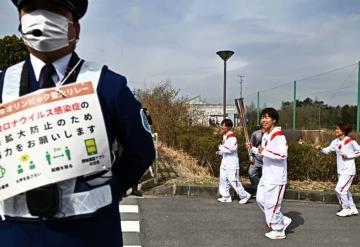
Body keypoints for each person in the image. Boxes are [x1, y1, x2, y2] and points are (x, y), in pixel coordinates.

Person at [0, 1, 155, 246]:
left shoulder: (108, 86)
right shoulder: (2, 84)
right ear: (20, 20)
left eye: (55, 10)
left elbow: (141, 151)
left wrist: (110, 189)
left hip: (91, 234)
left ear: (76, 28)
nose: (42, 18)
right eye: (32, 8)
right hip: (14, 236)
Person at [250, 108, 291, 240]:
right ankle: (282, 220)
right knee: (260, 199)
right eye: (262, 117)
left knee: (272, 204)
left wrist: (263, 151)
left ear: (274, 119)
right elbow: (264, 153)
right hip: (266, 174)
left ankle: (279, 230)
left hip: (277, 177)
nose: (263, 120)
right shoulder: (266, 135)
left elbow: (282, 154)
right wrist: (254, 149)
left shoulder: (279, 135)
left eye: (267, 117)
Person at [317, 123, 359, 217]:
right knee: (345, 190)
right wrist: (320, 148)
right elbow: (328, 150)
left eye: (338, 129)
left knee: (339, 189)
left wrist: (348, 155)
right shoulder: (335, 141)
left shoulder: (350, 141)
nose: (336, 130)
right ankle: (352, 208)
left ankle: (346, 208)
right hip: (340, 170)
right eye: (336, 129)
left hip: (348, 170)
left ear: (343, 131)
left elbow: (359, 151)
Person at [216, 119, 251, 204]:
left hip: (232, 163)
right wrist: (220, 152)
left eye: (224, 125)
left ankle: (244, 195)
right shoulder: (225, 136)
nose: (222, 127)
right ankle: (226, 196)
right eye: (222, 125)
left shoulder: (232, 137)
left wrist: (220, 147)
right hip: (225, 161)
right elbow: (226, 149)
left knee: (233, 180)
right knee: (223, 178)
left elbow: (231, 149)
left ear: (229, 127)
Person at [248, 124, 265, 197]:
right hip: (257, 159)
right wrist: (251, 156)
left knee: (265, 176)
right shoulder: (255, 134)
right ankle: (257, 188)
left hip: (266, 159)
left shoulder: (271, 135)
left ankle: (263, 192)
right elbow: (250, 146)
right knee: (251, 173)